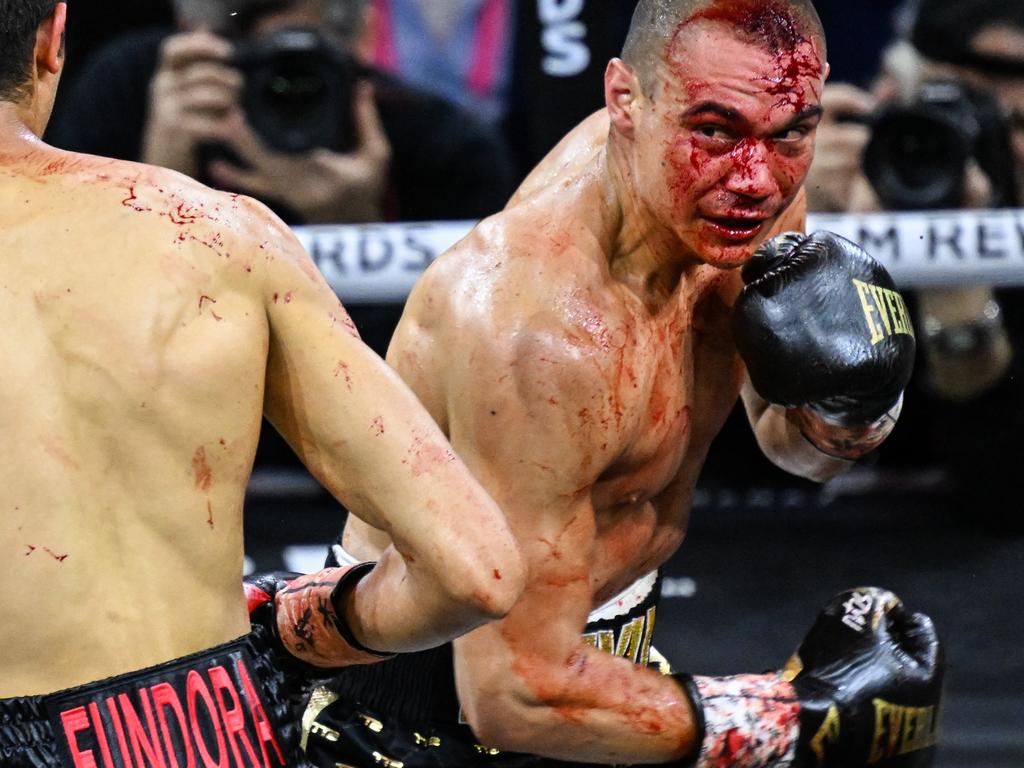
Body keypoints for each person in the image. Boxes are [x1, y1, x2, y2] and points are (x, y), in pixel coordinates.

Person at [301, 0, 944, 766]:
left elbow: (795, 450)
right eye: (712, 131)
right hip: (437, 708)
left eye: (792, 134)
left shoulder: (747, 185)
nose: (756, 179)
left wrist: (853, 405)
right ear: (624, 99)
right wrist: (790, 718)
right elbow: (511, 697)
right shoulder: (539, 335)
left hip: (602, 659)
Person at [0, 2, 525, 765]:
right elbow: (477, 570)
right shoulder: (223, 236)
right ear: (53, 38)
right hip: (199, 728)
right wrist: (302, 623)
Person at [804, 0, 1024, 531]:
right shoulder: (827, 183)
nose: (968, 159)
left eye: (1009, 127)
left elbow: (1006, 499)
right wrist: (787, 222)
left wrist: (955, 281)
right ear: (885, 97)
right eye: (935, 126)